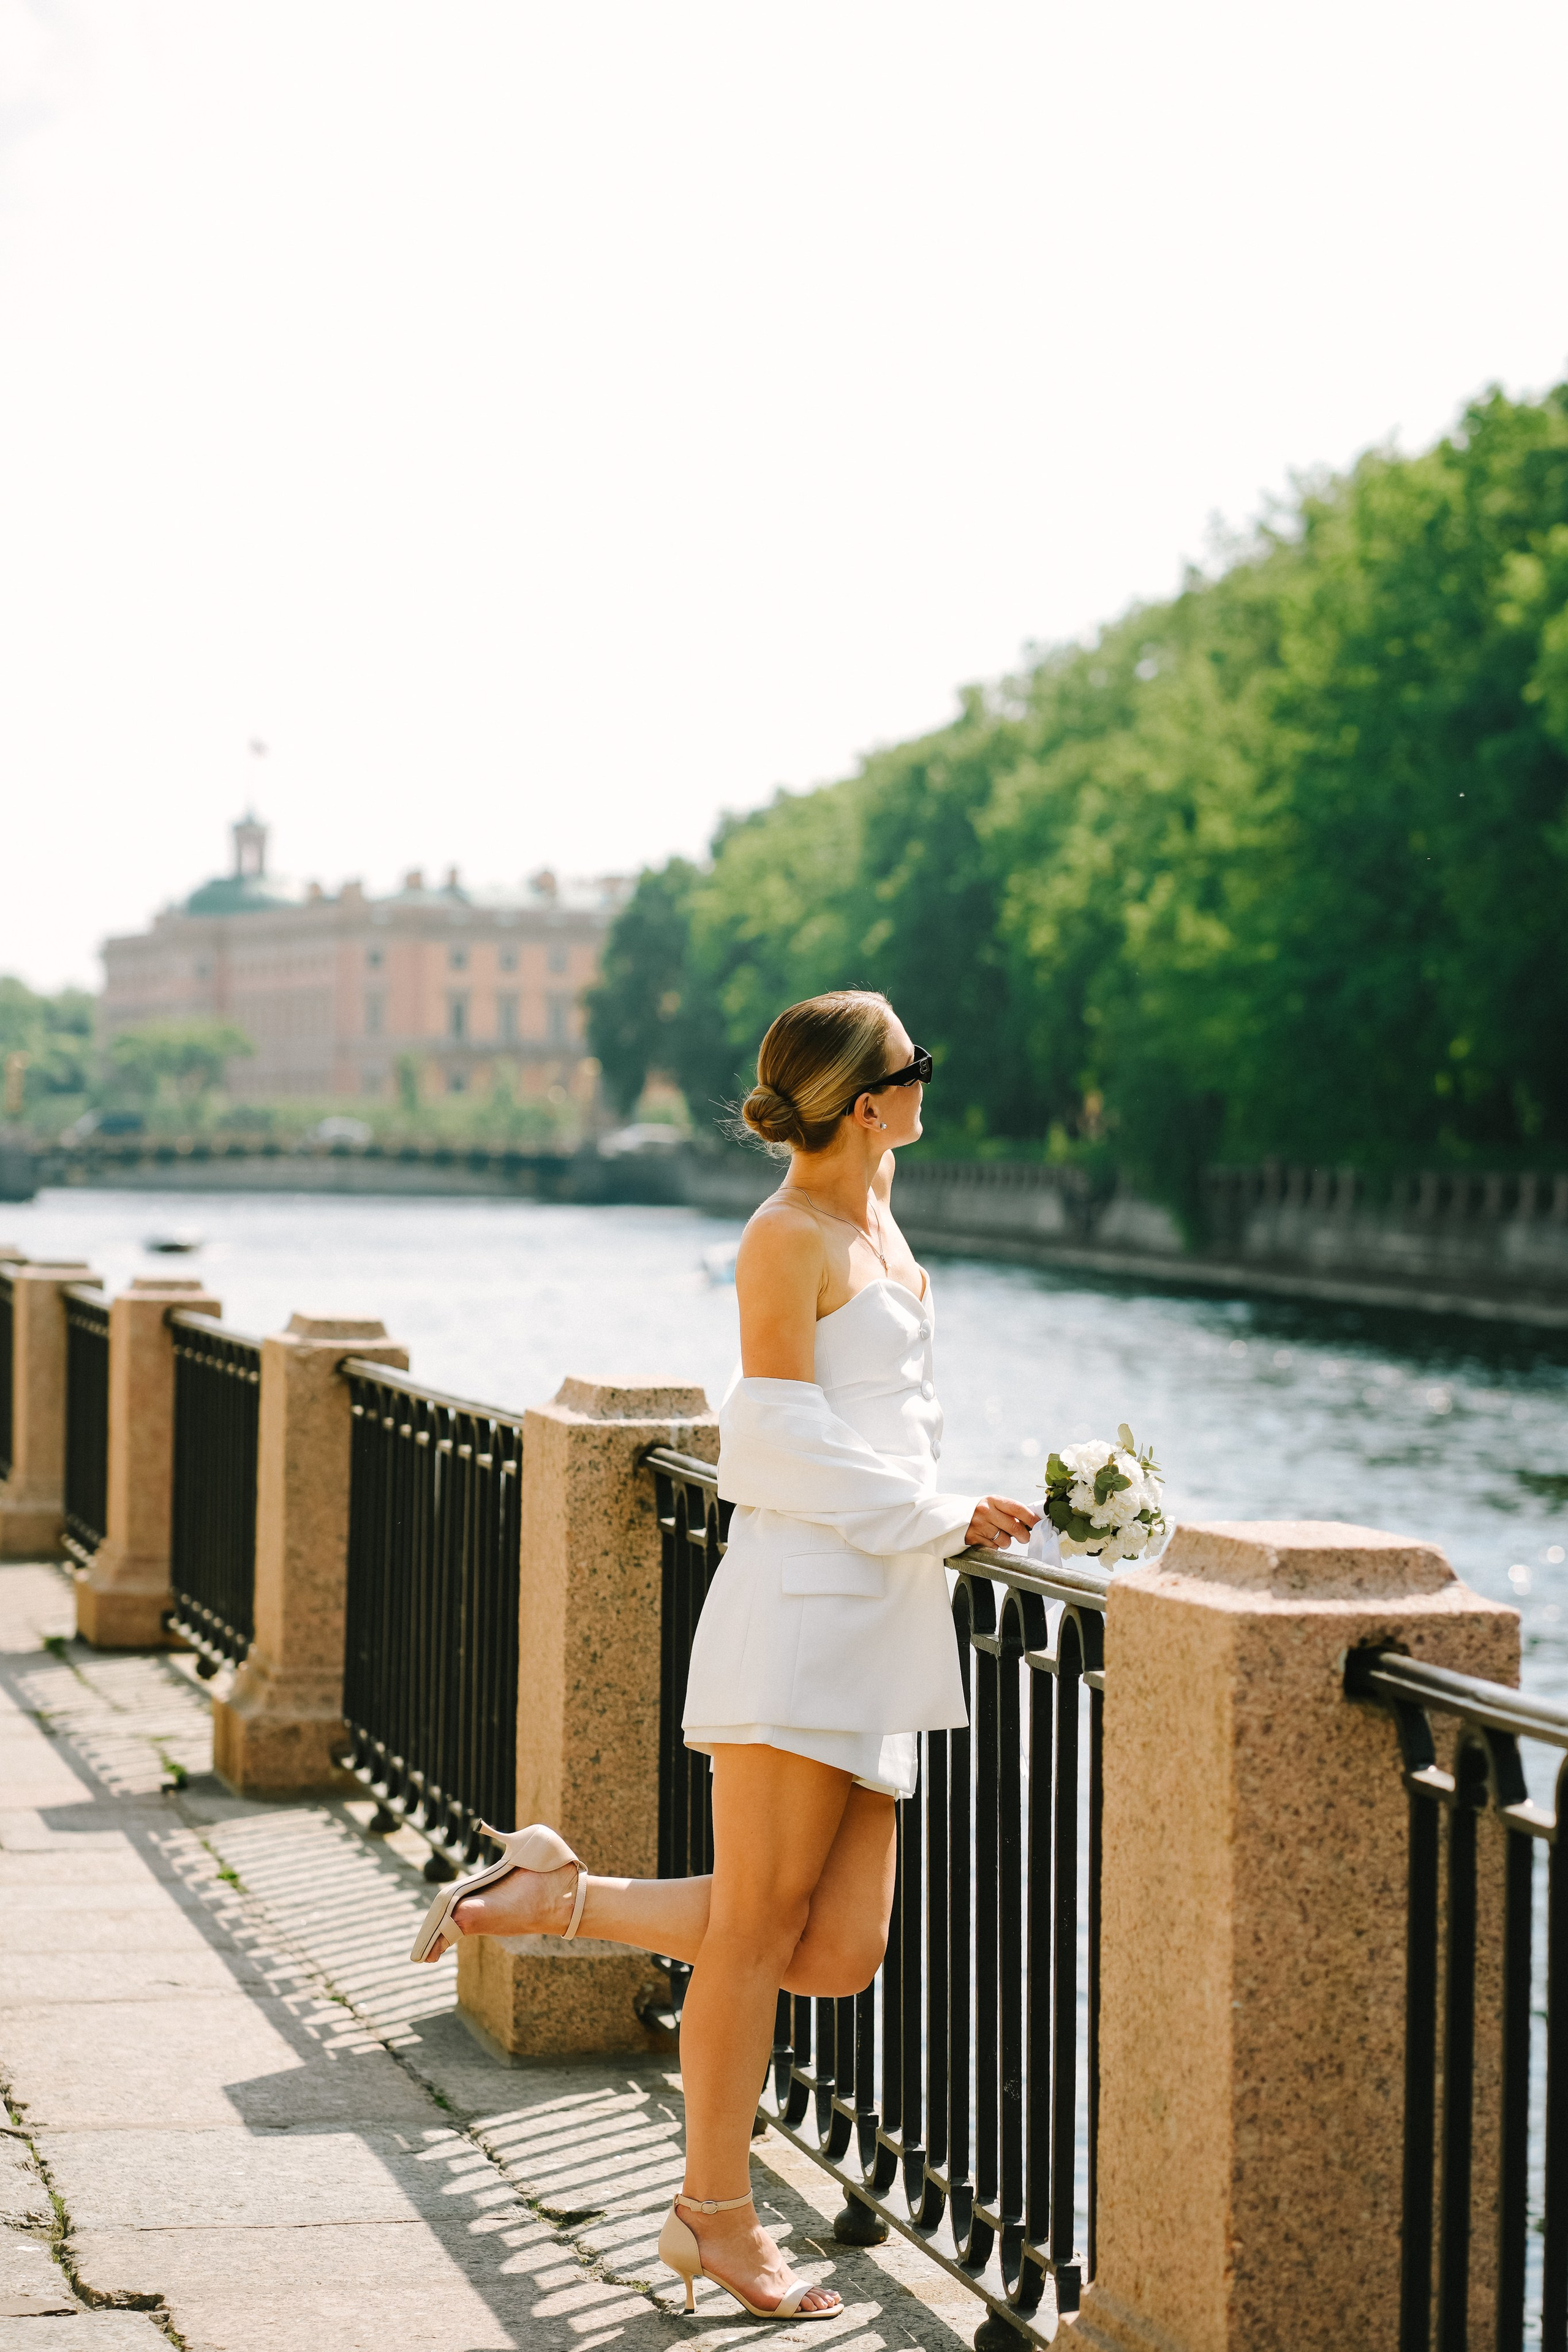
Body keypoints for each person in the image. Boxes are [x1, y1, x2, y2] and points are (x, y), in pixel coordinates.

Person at [410, 989, 1039, 2320]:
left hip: (878, 1616)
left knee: (840, 1950)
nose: (930, 1079)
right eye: (914, 1064)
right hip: (805, 1611)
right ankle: (712, 2217)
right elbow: (768, 1446)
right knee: (753, 1940)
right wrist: (938, 1513)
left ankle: (552, 1896)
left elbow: (880, 1422)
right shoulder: (782, 1235)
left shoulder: (878, 1218)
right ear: (866, 1100)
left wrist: (957, 1509)